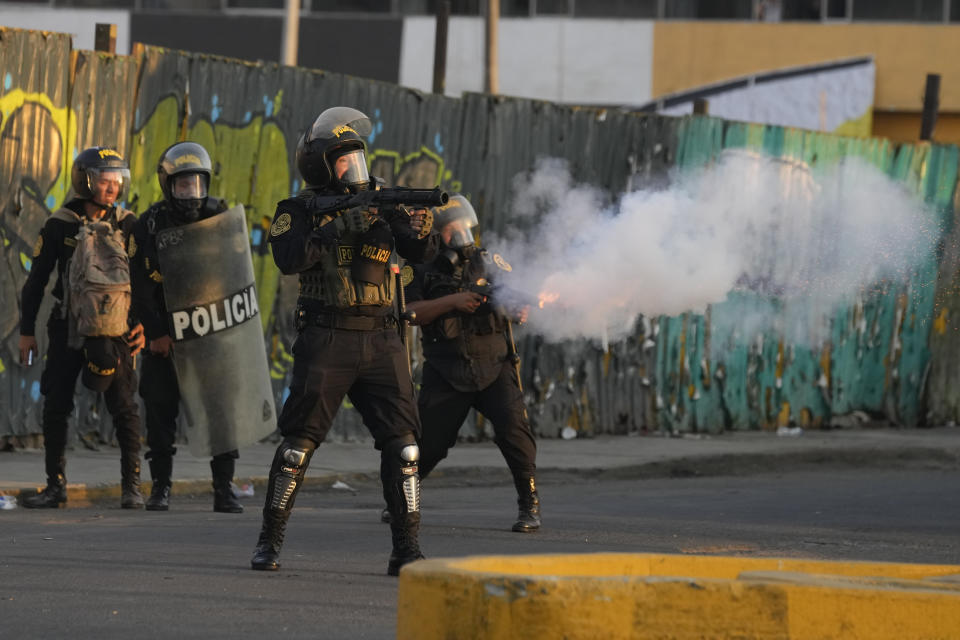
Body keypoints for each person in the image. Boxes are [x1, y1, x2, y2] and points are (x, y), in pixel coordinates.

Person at [250, 106, 439, 576]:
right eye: (341, 159)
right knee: (298, 447)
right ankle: (269, 542)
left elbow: (420, 254)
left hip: (382, 337)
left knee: (406, 447)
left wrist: (418, 228)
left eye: (356, 156)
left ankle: (407, 550)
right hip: (327, 337)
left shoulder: (379, 201)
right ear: (317, 164)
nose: (353, 167)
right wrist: (335, 228)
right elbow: (289, 258)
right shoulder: (296, 211)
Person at [399, 194, 541, 532]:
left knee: (514, 433)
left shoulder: (490, 261)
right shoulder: (417, 269)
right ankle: (402, 500)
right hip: (447, 370)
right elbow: (411, 313)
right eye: (449, 230)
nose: (458, 235)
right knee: (429, 445)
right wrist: (454, 301)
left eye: (462, 227)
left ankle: (529, 503)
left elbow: (514, 295)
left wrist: (520, 310)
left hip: (494, 363)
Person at [18, 146, 146, 509]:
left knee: (124, 406)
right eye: (103, 180)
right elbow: (37, 279)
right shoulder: (60, 223)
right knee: (56, 403)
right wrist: (27, 330)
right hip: (67, 326)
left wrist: (143, 327)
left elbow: (146, 283)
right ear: (85, 181)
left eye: (116, 180)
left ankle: (131, 487)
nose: (111, 187)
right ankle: (55, 486)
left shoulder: (128, 224)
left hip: (117, 329)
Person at [128, 141, 244, 514]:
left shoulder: (218, 216)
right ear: (167, 184)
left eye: (196, 184)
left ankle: (223, 489)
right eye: (182, 185)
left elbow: (236, 274)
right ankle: (160, 488)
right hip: (166, 338)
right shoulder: (150, 223)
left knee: (219, 414)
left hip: (210, 333)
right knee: (161, 412)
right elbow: (141, 287)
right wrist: (157, 333)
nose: (190, 192)